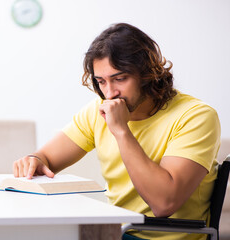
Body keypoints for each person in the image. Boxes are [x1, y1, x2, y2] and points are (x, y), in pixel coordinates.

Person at [12, 23, 220, 240]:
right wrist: (34, 160)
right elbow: (46, 159)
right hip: (116, 232)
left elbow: (164, 203)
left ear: (148, 74)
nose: (110, 93)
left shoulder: (196, 116)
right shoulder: (97, 111)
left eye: (120, 79)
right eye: (101, 81)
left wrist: (121, 130)